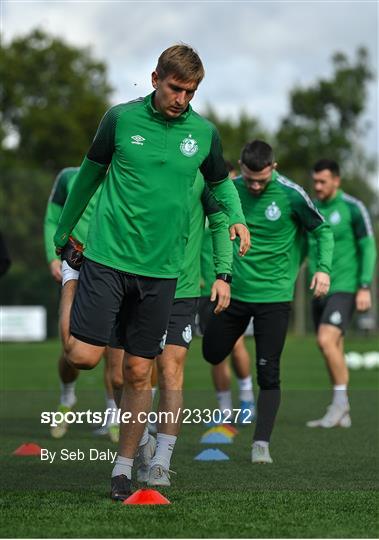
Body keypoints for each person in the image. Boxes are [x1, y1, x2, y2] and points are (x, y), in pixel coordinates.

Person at [53, 44, 250, 501]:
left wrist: (236, 216)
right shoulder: (119, 120)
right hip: (107, 260)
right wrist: (64, 237)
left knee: (141, 373)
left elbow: (220, 183)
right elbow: (88, 175)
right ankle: (70, 281)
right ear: (155, 77)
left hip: (162, 273)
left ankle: (124, 470)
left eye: (191, 91)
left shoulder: (204, 133)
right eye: (175, 88)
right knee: (83, 358)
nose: (182, 98)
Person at [203, 140, 334, 464]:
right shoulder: (229, 190)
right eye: (250, 179)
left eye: (262, 179)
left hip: (274, 297)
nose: (256, 185)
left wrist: (323, 270)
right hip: (234, 293)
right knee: (212, 351)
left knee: (269, 372)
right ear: (241, 168)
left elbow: (322, 230)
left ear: (273, 168)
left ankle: (261, 443)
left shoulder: (291, 194)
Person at [44, 167, 119, 441]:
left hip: (113, 266)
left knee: (114, 348)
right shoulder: (68, 176)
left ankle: (113, 415)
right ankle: (67, 398)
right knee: (71, 350)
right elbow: (53, 217)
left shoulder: (129, 175)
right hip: (76, 263)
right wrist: (54, 257)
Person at [306, 159, 377, 428]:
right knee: (332, 347)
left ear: (337, 180)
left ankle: (339, 405)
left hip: (345, 287)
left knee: (325, 340)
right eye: (315, 181)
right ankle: (342, 410)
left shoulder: (353, 208)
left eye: (323, 181)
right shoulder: (311, 207)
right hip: (318, 291)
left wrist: (364, 285)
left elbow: (368, 248)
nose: (318, 186)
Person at [199, 161, 255, 424]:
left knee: (237, 344)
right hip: (202, 289)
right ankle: (224, 409)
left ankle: (246, 397)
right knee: (215, 349)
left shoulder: (236, 210)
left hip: (229, 286)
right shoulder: (200, 201)